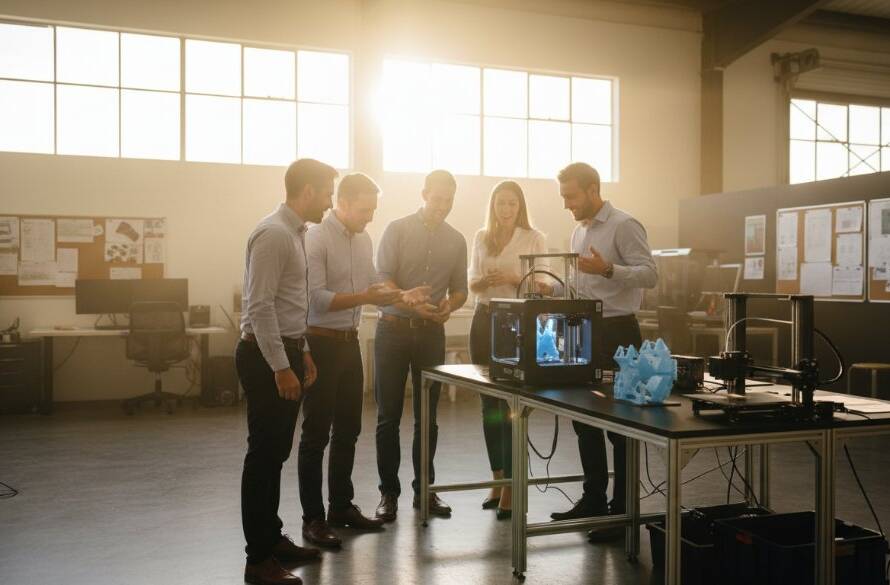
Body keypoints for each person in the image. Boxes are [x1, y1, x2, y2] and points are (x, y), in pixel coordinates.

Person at [299, 173, 429, 548]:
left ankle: (340, 506)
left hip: (349, 343)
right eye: (364, 209)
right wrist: (367, 298)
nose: (370, 217)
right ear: (341, 202)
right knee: (315, 436)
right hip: (320, 343)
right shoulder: (316, 238)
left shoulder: (363, 239)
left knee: (349, 430)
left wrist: (405, 297)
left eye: (373, 209)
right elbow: (317, 299)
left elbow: (376, 285)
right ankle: (313, 519)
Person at [236, 158, 337, 585]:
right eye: (329, 192)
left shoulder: (296, 234)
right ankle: (258, 560)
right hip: (264, 357)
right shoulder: (274, 234)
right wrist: (281, 366)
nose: (330, 202)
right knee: (263, 456)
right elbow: (259, 307)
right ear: (309, 191)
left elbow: (289, 304)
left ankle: (272, 539)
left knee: (276, 453)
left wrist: (304, 351)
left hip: (287, 350)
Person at [548, 162, 657, 543]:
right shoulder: (578, 230)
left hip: (619, 333)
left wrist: (609, 269)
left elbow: (650, 274)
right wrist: (555, 291)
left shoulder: (624, 225)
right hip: (584, 330)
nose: (567, 204)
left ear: (593, 190)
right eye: (563, 196)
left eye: (571, 196)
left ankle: (622, 511)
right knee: (584, 419)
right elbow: (582, 285)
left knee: (621, 426)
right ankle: (593, 498)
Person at [373, 169, 468, 522]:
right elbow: (382, 278)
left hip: (431, 334)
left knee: (428, 418)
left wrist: (450, 305)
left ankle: (424, 491)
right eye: (437, 198)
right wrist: (409, 301)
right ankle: (388, 494)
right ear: (424, 193)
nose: (443, 205)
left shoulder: (457, 240)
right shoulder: (396, 229)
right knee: (388, 417)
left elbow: (461, 288)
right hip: (393, 331)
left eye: (449, 200)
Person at [467, 180, 547, 520]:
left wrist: (515, 278)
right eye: (501, 203)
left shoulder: (534, 237)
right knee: (489, 404)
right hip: (483, 318)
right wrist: (484, 281)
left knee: (512, 405)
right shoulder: (480, 237)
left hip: (514, 323)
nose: (506, 209)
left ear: (520, 206)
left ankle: (514, 487)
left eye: (512, 203)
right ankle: (497, 481)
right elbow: (470, 282)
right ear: (493, 205)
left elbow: (543, 285)